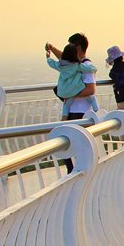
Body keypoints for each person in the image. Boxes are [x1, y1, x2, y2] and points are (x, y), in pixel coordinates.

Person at [45, 33, 97, 173]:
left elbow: (91, 89)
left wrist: (70, 95)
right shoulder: (75, 64)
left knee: (72, 143)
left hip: (80, 112)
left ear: (78, 47)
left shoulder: (86, 65)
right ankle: (73, 171)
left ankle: (78, 172)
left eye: (71, 46)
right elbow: (65, 59)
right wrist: (52, 48)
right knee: (66, 142)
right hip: (73, 110)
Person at [47, 43, 98, 120]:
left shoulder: (60, 66)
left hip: (65, 92)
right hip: (76, 89)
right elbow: (92, 68)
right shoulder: (77, 66)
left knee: (66, 104)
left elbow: (51, 63)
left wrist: (48, 57)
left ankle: (64, 119)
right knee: (92, 98)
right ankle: (98, 113)